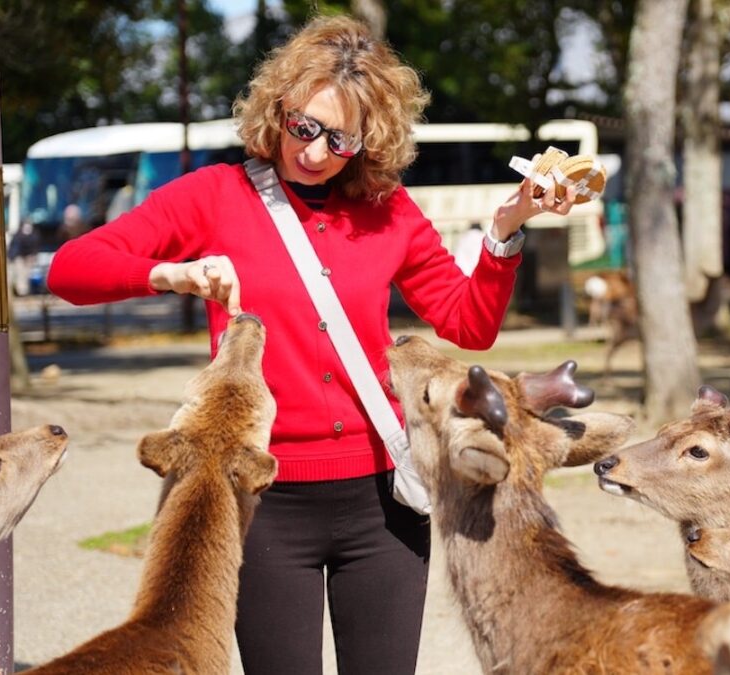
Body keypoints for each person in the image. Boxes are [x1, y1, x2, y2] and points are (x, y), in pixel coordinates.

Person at [47, 15, 576, 675]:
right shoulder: (214, 196)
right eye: (304, 126)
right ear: (278, 107)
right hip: (263, 497)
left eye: (341, 139)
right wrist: (169, 274)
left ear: (369, 140)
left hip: (385, 500)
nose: (317, 152)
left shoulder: (388, 209)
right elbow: (68, 270)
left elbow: (470, 324)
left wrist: (507, 229)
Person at [8, 220, 41, 296]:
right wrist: (12, 257)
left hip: (29, 258)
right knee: (20, 274)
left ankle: (24, 291)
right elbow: (14, 248)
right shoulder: (18, 236)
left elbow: (35, 248)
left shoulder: (34, 236)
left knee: (27, 275)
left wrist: (33, 256)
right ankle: (22, 291)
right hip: (19, 258)